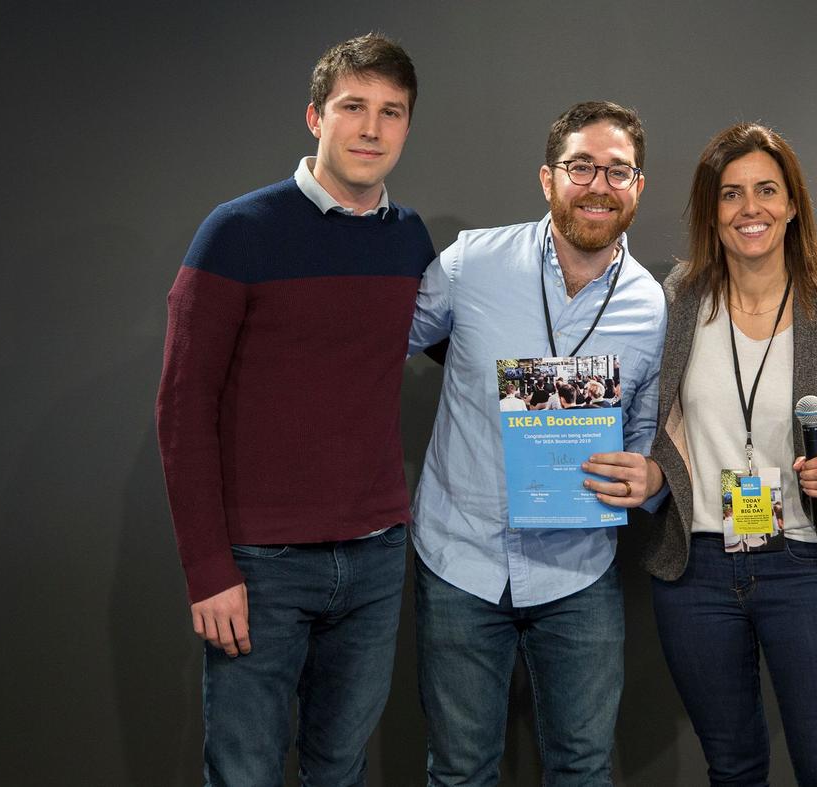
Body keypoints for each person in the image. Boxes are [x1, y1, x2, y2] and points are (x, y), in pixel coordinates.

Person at [155, 33, 431, 786]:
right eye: (353, 107)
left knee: (339, 767)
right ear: (316, 116)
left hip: (374, 556)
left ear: (407, 126)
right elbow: (183, 410)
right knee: (244, 771)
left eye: (391, 111)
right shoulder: (238, 231)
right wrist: (208, 567)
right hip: (260, 564)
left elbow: (472, 350)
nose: (371, 128)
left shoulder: (408, 241)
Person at [604, 123, 817, 785]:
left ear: (793, 203)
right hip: (697, 568)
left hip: (810, 562)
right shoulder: (676, 300)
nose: (751, 208)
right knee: (733, 768)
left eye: (767, 190)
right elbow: (651, 414)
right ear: (711, 211)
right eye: (731, 194)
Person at [407, 100, 666, 786]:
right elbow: (378, 346)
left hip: (577, 571)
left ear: (638, 186)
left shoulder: (652, 305)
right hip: (460, 558)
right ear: (547, 179)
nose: (599, 185)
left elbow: (644, 435)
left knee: (582, 770)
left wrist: (652, 476)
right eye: (581, 166)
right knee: (460, 772)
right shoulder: (471, 263)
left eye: (618, 171)